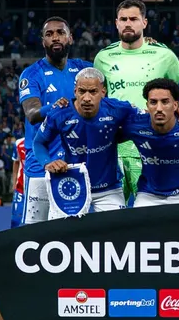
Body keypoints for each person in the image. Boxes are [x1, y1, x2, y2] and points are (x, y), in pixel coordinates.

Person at [94, 0, 179, 202]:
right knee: (113, 209)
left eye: (134, 19)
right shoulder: (103, 57)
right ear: (116, 23)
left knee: (153, 206)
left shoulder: (164, 55)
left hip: (154, 145)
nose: (128, 23)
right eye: (123, 19)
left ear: (144, 22)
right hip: (114, 146)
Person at [18, 17, 91, 223]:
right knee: (33, 229)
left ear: (70, 38)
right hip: (41, 162)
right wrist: (58, 106)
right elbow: (32, 114)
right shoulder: (32, 74)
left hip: (76, 162)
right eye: (49, 34)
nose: (55, 37)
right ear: (43, 42)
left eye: (60, 32)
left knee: (75, 229)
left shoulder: (84, 70)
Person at [37, 68, 135, 212]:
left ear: (103, 92)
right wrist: (47, 163)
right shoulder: (59, 114)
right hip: (72, 185)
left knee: (115, 234)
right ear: (75, 91)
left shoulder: (117, 109)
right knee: (66, 234)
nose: (87, 98)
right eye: (82, 91)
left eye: (93, 92)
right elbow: (39, 142)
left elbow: (146, 121)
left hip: (109, 189)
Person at [121, 79, 179, 207]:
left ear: (175, 105)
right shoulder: (134, 125)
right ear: (147, 105)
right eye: (153, 102)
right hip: (148, 194)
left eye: (165, 102)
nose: (159, 108)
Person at [10, 136, 26, 227]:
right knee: (15, 220)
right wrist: (14, 182)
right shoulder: (19, 143)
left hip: (36, 189)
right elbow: (16, 163)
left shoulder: (45, 140)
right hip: (20, 187)